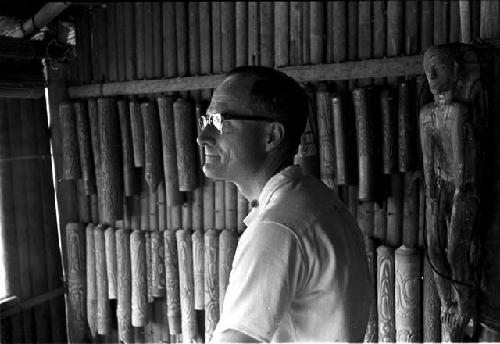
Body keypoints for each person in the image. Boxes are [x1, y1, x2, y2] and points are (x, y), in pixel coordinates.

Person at [197, 66, 372, 342]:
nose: (202, 137)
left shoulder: (276, 227)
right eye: (205, 121)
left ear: (272, 136)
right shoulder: (317, 198)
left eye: (220, 122)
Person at [420, 45, 480, 341]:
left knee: (456, 249)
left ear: (455, 71)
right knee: (432, 246)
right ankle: (446, 303)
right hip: (442, 189)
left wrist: (455, 198)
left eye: (438, 68)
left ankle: (465, 305)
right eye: (427, 69)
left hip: (463, 189)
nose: (431, 75)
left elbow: (461, 164)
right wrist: (432, 198)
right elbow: (428, 161)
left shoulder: (457, 113)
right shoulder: (427, 115)